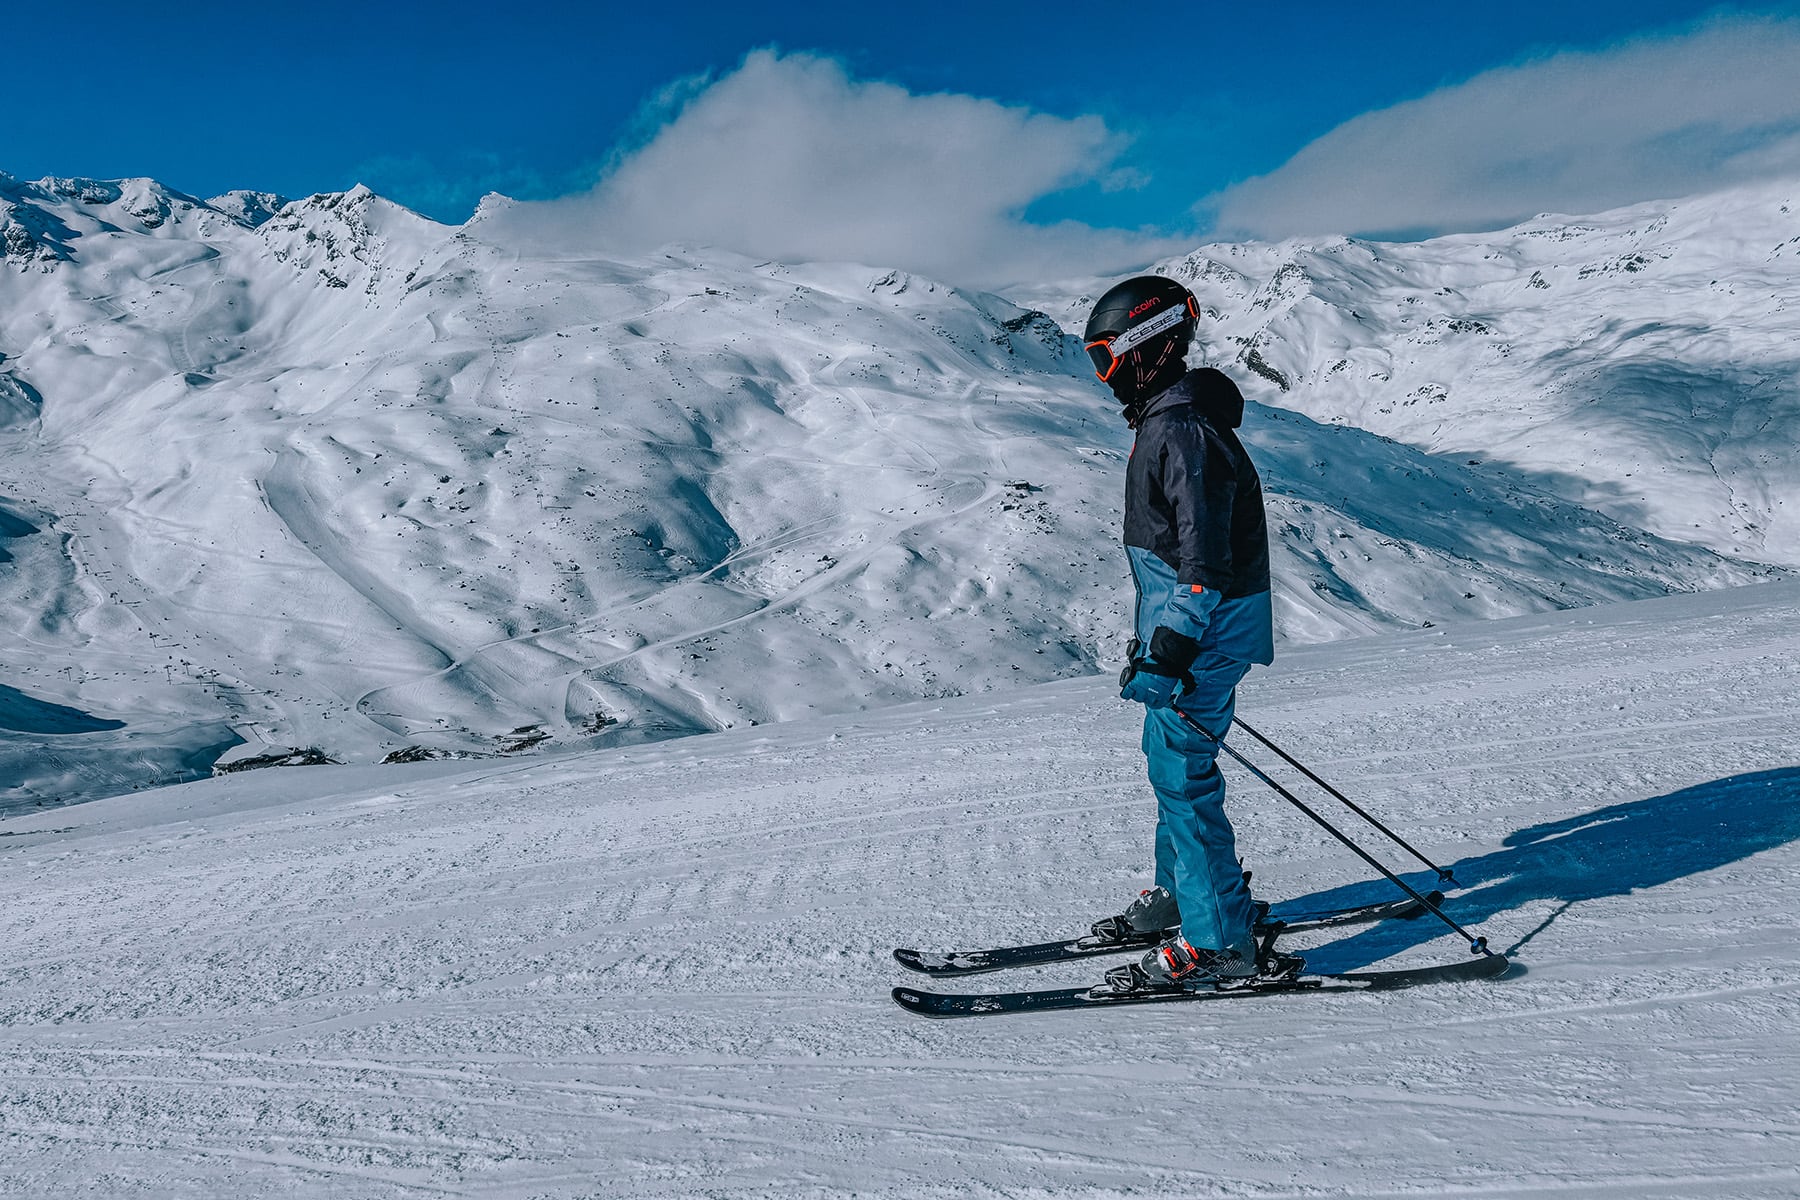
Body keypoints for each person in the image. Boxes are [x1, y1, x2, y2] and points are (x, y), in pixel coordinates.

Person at [1082, 275, 1276, 989]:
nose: (1104, 378)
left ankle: (1219, 939)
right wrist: (1155, 641)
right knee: (1171, 769)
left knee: (1185, 779)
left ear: (1147, 351)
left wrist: (1172, 647)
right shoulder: (1170, 422)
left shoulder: (1181, 431)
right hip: (1191, 633)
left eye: (1107, 358)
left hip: (1205, 635)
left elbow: (1203, 565)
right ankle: (1179, 900)